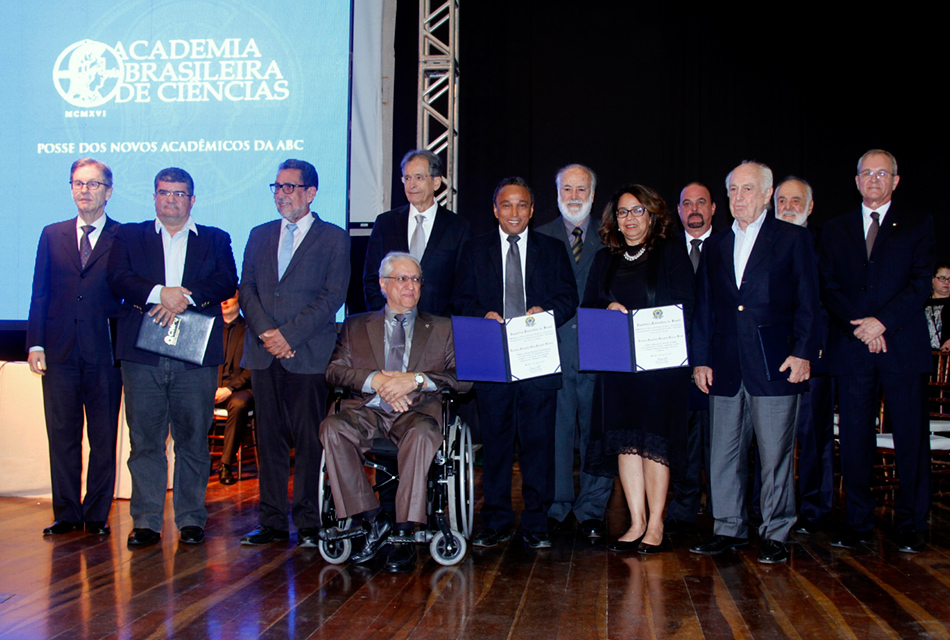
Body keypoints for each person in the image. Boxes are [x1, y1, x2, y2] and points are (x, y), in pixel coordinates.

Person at [690, 161, 820, 564]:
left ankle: (776, 531)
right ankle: (727, 528)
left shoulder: (793, 239)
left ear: (767, 195)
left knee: (775, 454)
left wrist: (802, 352)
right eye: (732, 190)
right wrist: (700, 360)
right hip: (726, 366)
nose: (738, 197)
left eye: (748, 189)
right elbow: (705, 309)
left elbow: (809, 302)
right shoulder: (715, 245)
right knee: (723, 454)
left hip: (775, 364)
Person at [108, 167, 238, 548]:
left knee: (193, 440)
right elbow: (117, 277)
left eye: (180, 194)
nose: (171, 200)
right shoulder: (129, 235)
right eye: (164, 192)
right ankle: (146, 521)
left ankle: (191, 519)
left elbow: (226, 280)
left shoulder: (215, 239)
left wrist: (183, 295)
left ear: (192, 199)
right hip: (141, 356)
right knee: (145, 440)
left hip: (194, 357)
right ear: (154, 197)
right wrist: (157, 293)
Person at [320, 252, 472, 572]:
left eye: (416, 279)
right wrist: (373, 379)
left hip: (415, 412)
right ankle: (375, 519)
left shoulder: (443, 327)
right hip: (367, 410)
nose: (410, 286)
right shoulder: (355, 325)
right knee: (332, 428)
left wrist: (415, 380)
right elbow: (333, 372)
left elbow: (465, 379)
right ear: (383, 284)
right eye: (402, 279)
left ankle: (404, 532)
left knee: (423, 434)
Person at [819, 149, 935, 553]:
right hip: (853, 348)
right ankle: (857, 522)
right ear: (855, 181)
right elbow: (828, 285)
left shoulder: (919, 224)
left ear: (895, 181)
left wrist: (880, 323)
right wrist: (863, 326)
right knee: (853, 439)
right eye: (866, 173)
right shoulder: (834, 230)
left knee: (910, 437)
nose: (873, 179)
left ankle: (912, 523)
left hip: (902, 344)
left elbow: (921, 284)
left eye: (881, 173)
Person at [454, 177, 578, 549]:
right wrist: (483, 315)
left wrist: (547, 311)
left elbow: (569, 297)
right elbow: (459, 300)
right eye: (506, 205)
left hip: (536, 359)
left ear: (532, 210)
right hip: (491, 361)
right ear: (495, 210)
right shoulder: (474, 250)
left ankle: (536, 522)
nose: (514, 212)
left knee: (539, 447)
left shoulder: (553, 249)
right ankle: (495, 520)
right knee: (495, 446)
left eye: (521, 205)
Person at [239, 159, 350, 548]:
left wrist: (288, 336)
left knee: (308, 440)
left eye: (290, 187)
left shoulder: (333, 238)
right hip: (263, 352)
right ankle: (270, 521)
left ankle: (307, 522)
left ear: (311, 193)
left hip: (307, 354)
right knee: (267, 439)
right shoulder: (259, 234)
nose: (281, 194)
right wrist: (268, 334)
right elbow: (247, 290)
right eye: (277, 187)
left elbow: (332, 296)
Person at [582, 184, 694, 554]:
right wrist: (607, 310)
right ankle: (636, 521)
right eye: (623, 212)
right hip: (616, 369)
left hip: (659, 368)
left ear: (652, 214)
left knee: (653, 446)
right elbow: (589, 307)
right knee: (627, 445)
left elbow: (685, 304)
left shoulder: (670, 253)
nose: (629, 219)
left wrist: (645, 320)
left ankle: (657, 523)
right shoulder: (604, 259)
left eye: (637, 211)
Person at [27, 158, 122, 537]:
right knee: (62, 436)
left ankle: (96, 514)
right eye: (78, 183)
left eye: (93, 184)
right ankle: (67, 513)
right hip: (60, 352)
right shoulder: (52, 234)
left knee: (103, 438)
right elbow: (40, 293)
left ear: (108, 191)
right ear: (71, 189)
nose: (84, 190)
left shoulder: (124, 236)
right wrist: (35, 343)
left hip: (105, 354)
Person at [536, 164, 613, 541]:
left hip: (601, 352)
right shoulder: (539, 237)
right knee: (557, 432)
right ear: (557, 193)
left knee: (597, 435)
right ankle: (557, 505)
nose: (574, 196)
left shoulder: (613, 236)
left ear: (593, 195)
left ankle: (592, 509)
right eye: (567, 188)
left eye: (582, 189)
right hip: (553, 351)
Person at [773, 177, 835, 534]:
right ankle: (766, 508)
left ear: (810, 207)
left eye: (797, 201)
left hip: (816, 360)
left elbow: (826, 303)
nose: (789, 206)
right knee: (769, 443)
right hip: (771, 363)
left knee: (814, 439)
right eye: (782, 200)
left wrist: (810, 351)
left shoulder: (824, 247)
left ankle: (813, 511)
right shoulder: (762, 245)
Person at [665, 182, 717, 534]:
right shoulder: (665, 252)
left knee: (723, 444)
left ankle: (724, 512)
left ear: (714, 208)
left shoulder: (731, 245)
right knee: (681, 443)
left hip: (720, 363)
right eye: (687, 203)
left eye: (701, 202)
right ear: (679, 211)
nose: (694, 208)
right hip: (674, 365)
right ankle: (682, 512)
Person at [363, 150, 470, 315]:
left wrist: (444, 326)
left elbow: (464, 286)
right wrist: (386, 317)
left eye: (419, 177)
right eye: (407, 178)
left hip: (439, 329)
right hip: (390, 325)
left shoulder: (457, 227)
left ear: (436, 182)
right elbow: (372, 279)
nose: (412, 184)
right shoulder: (386, 223)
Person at [215, 289, 253, 485]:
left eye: (230, 296)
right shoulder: (211, 327)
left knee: (238, 404)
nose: (225, 300)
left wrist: (229, 389)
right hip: (212, 388)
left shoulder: (250, 329)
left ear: (239, 300)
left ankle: (225, 465)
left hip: (240, 389)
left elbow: (251, 370)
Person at [924, 262, 950, 351]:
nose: (947, 282)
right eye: (942, 278)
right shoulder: (920, 303)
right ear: (932, 279)